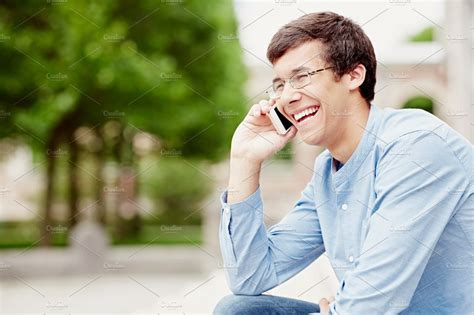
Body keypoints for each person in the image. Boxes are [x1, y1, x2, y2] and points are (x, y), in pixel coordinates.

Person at [213, 11, 473, 315]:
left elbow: (371, 302)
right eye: (280, 85)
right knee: (239, 309)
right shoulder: (327, 172)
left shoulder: (416, 146)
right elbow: (249, 277)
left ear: (354, 75)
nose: (287, 97)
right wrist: (244, 160)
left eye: (302, 77)